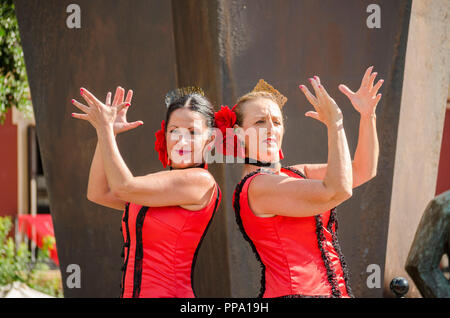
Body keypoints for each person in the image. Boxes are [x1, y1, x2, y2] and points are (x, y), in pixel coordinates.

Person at [215, 66, 382, 297]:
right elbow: (337, 191)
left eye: (276, 121)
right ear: (238, 133)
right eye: (260, 122)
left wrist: (367, 116)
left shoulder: (296, 173)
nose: (271, 129)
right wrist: (335, 124)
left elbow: (363, 170)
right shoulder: (256, 187)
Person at [71, 86, 221, 298]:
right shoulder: (156, 188)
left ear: (211, 140)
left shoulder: (201, 181)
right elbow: (98, 192)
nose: (182, 140)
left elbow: (124, 186)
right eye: (174, 130)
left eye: (193, 132)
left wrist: (104, 128)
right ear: (165, 135)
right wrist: (107, 134)